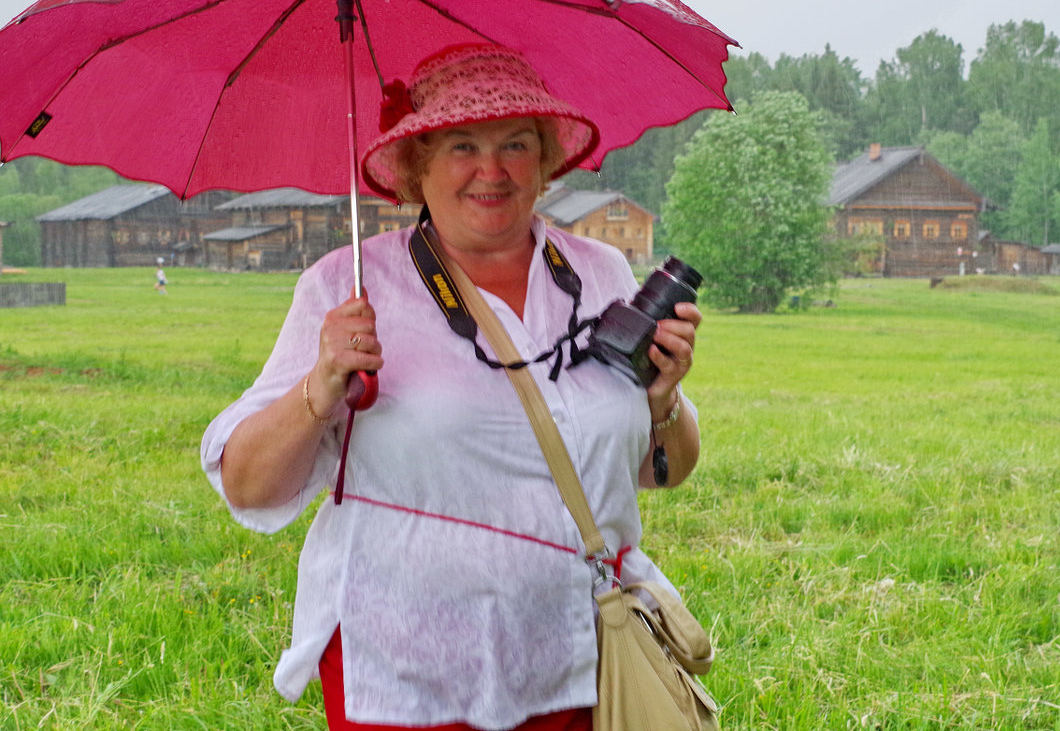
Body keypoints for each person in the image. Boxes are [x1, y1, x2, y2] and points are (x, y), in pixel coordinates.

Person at [201, 43, 702, 731]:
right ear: (418, 164)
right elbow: (248, 484)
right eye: (462, 145)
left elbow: (664, 469)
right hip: (407, 667)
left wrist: (662, 399)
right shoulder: (347, 287)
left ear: (547, 158)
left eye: (516, 144)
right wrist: (319, 388)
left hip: (579, 654)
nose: (491, 170)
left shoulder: (602, 273)